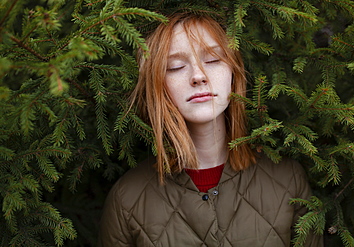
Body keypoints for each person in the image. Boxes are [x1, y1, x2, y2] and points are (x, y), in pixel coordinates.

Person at [98, 13, 323, 247]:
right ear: (157, 83)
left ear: (233, 71)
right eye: (175, 66)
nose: (198, 76)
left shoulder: (287, 178)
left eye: (213, 59)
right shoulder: (127, 198)